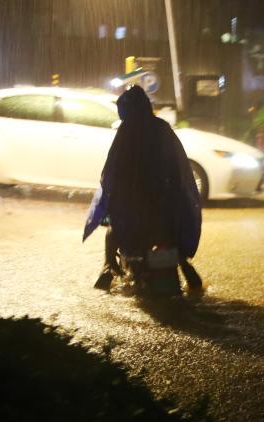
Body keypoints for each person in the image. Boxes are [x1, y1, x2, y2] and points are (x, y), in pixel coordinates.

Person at [83, 85, 202, 291]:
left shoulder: (126, 132)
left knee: (112, 228)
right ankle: (183, 264)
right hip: (162, 210)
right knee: (172, 238)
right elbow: (180, 172)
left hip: (134, 209)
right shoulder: (162, 129)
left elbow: (112, 172)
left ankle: (109, 267)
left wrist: (110, 203)